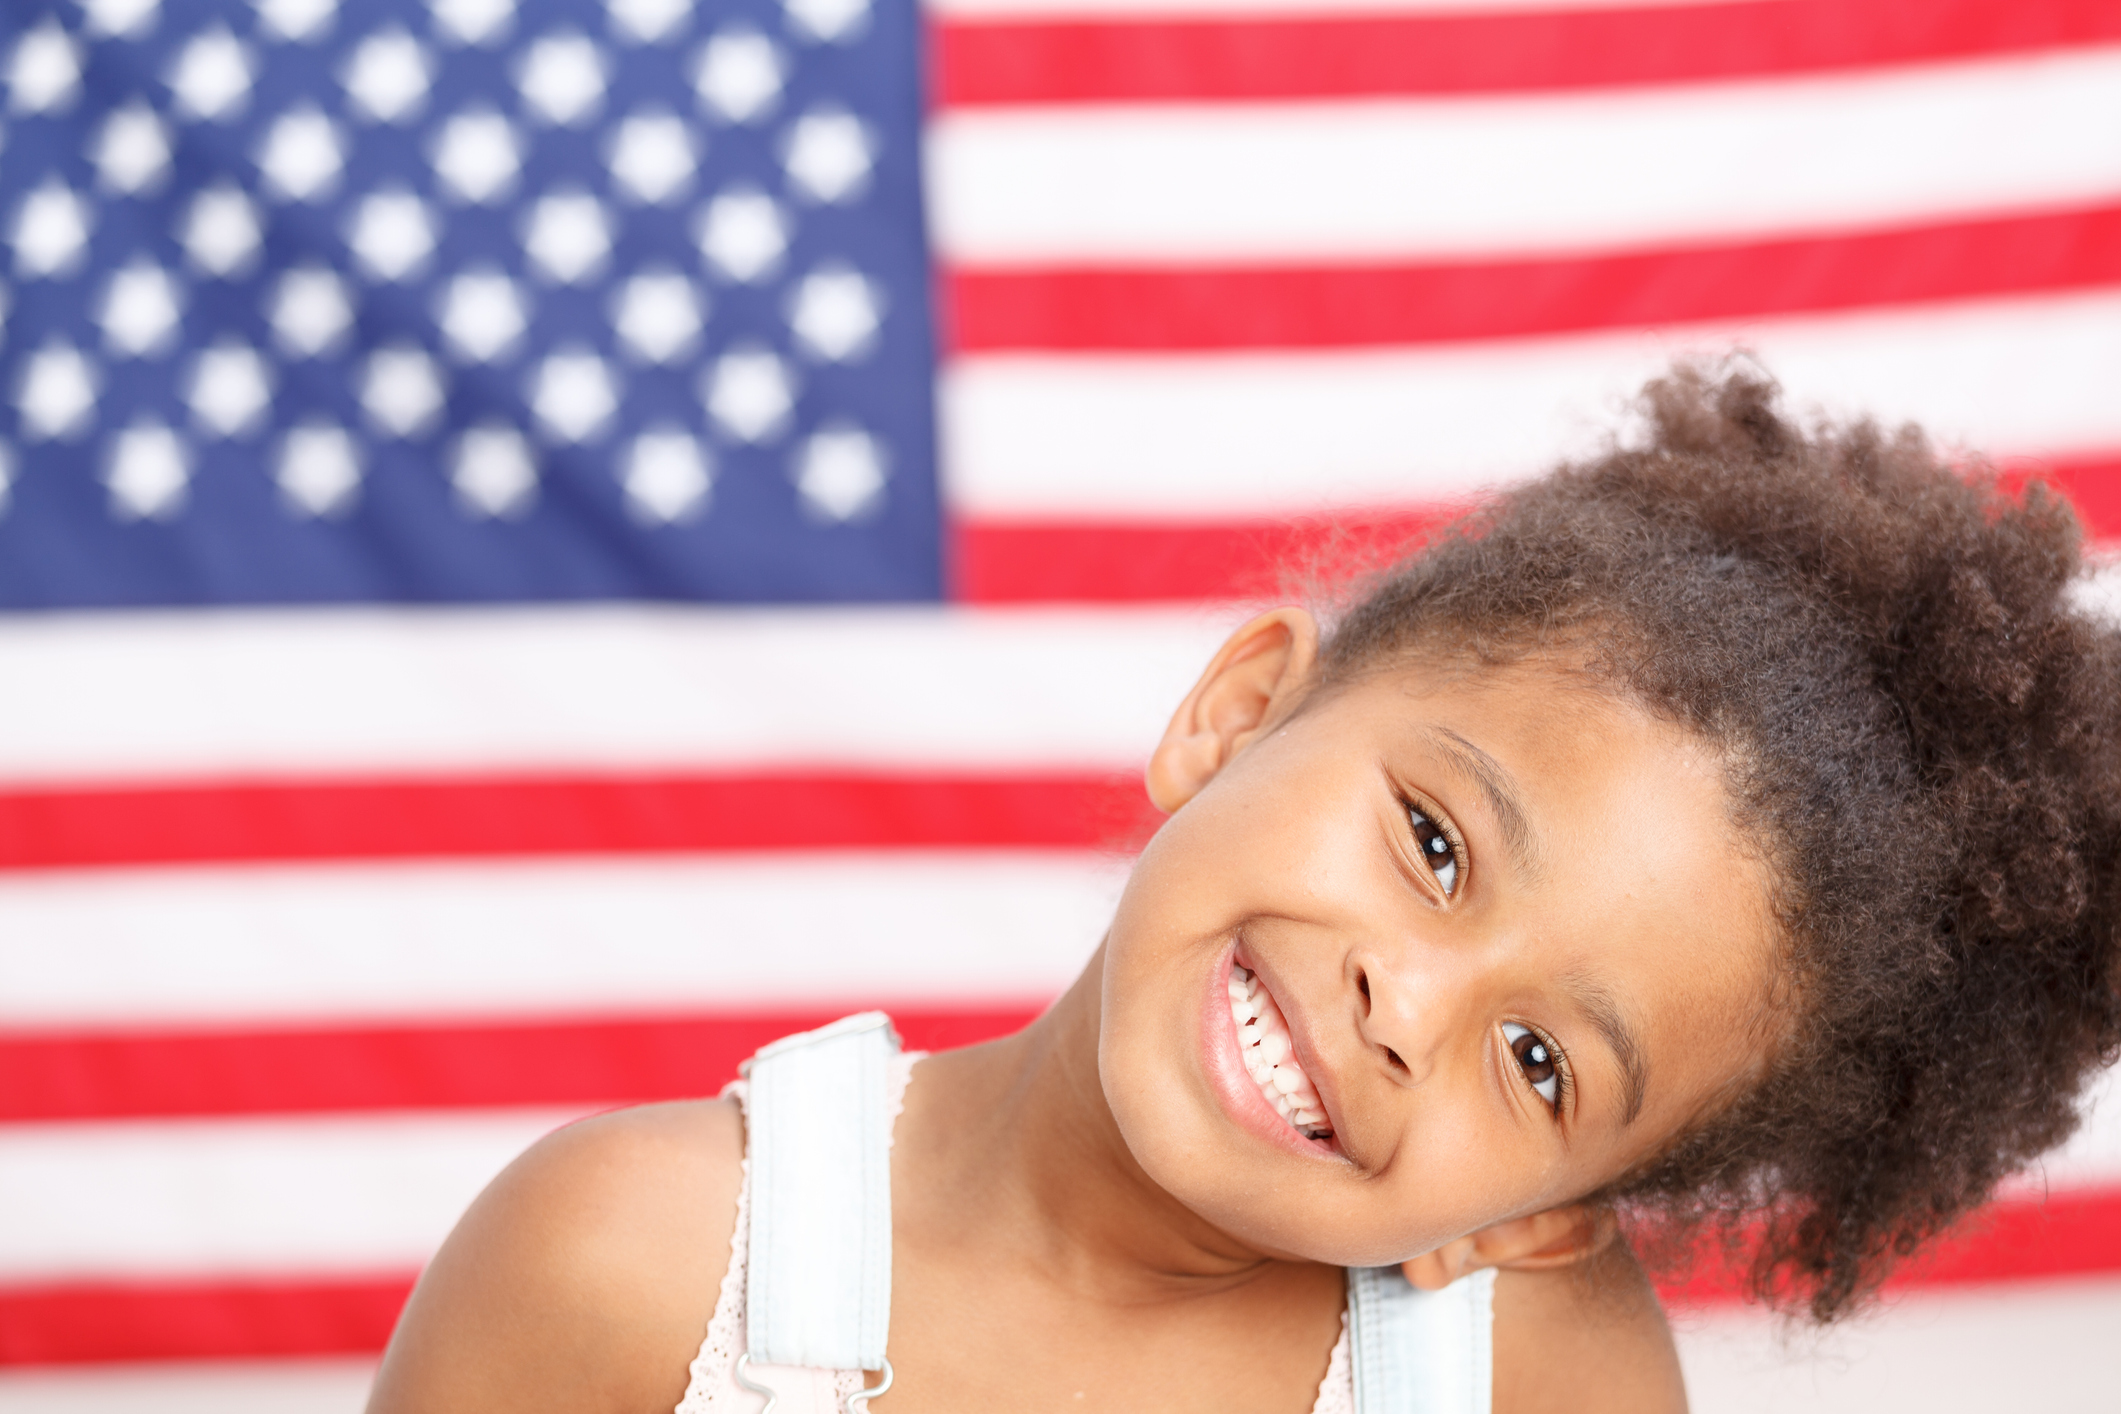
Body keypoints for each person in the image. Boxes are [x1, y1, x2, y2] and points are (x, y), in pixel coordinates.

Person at [366, 363, 2121, 1413]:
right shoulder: (635, 1261)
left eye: (1541, 1065)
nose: (1404, 1010)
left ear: (1547, 1214)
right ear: (1235, 713)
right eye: (1433, 845)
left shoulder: (1527, 1378)